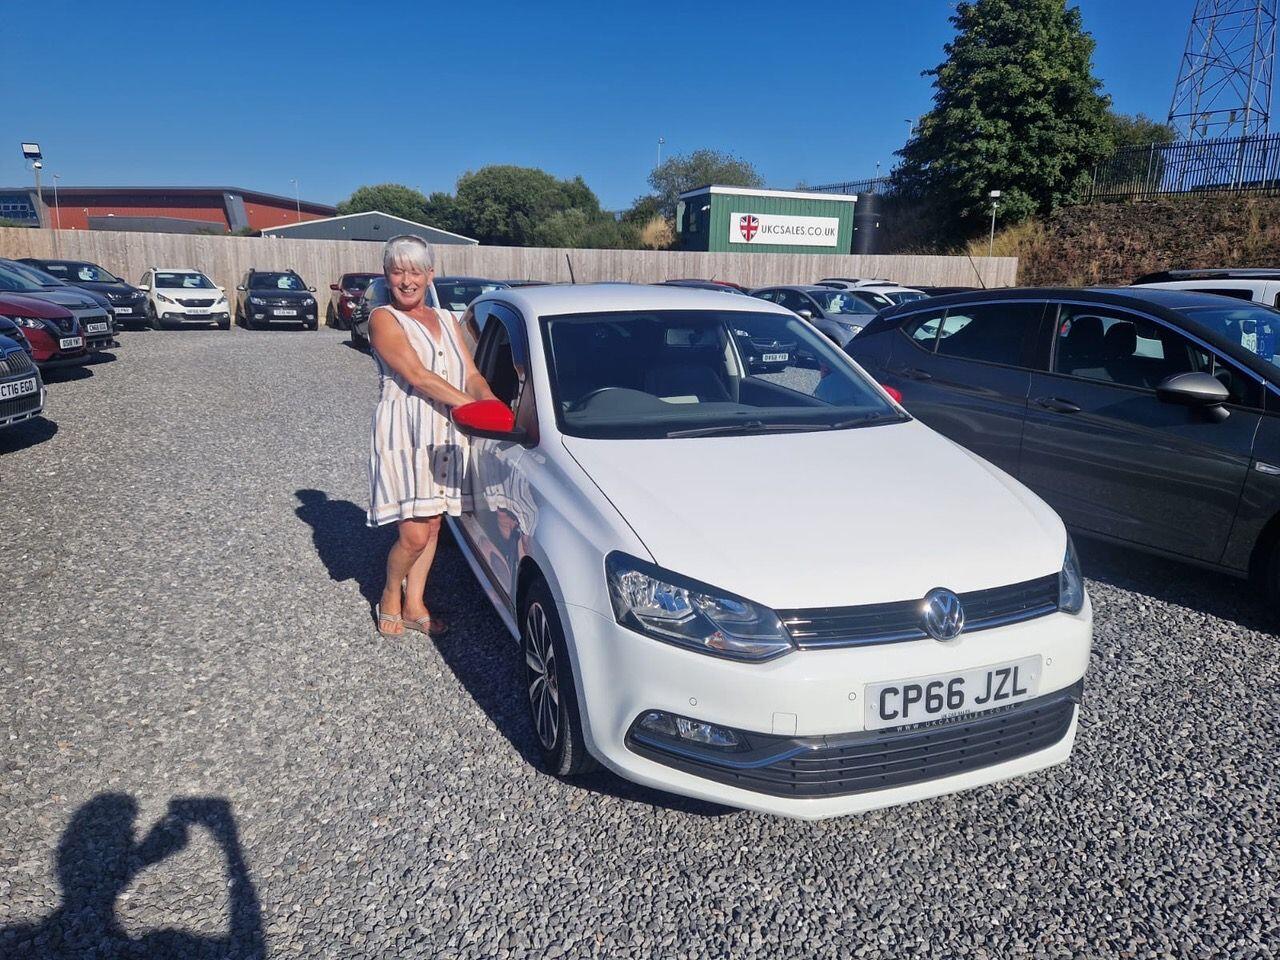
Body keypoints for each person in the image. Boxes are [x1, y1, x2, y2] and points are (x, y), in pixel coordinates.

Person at [367, 235, 497, 637]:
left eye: (414, 271)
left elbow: (472, 374)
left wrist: (493, 404)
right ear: (387, 275)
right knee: (414, 530)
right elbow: (417, 376)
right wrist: (471, 408)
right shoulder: (383, 318)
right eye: (397, 271)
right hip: (407, 429)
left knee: (435, 523)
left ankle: (415, 602)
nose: (406, 280)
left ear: (430, 274)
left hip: (445, 428)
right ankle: (390, 593)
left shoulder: (445, 319)